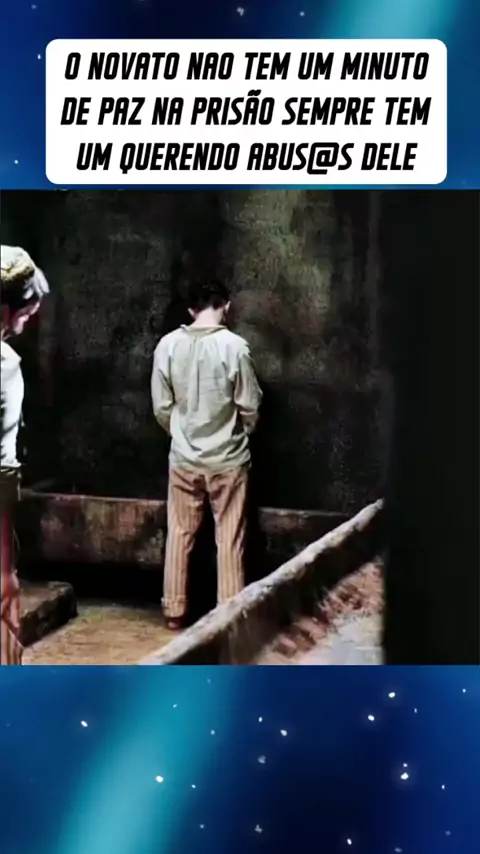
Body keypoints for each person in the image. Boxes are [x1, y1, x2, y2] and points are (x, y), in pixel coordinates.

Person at [151, 280, 263, 630]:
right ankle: (228, 621)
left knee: (179, 532)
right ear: (226, 307)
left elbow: (161, 406)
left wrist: (181, 434)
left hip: (184, 459)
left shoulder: (167, 345)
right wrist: (240, 433)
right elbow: (250, 405)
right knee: (229, 537)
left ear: (190, 310)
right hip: (228, 460)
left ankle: (174, 612)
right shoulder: (236, 347)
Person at [1, 245, 49, 665]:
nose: (27, 322)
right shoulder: (4, 366)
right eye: (26, 313)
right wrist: (4, 571)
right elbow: (2, 473)